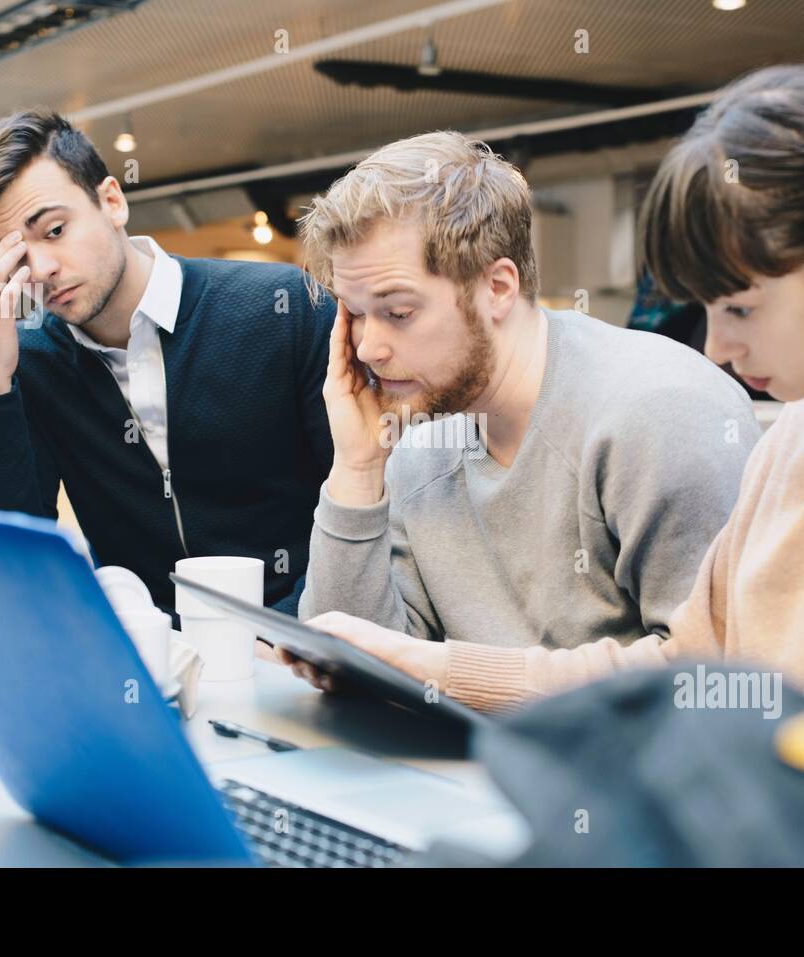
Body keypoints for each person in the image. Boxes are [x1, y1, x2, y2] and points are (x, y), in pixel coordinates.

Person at [293, 20, 804, 865]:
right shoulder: (794, 445)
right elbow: (678, 684)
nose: (718, 347)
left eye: (740, 306)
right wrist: (427, 668)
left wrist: (730, 141)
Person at [289, 130, 759, 701]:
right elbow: (353, 670)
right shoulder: (418, 435)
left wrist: (447, 672)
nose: (367, 349)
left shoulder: (659, 412)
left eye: (398, 312)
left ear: (497, 287)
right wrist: (359, 469)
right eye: (356, 314)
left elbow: (715, 682)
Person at [0, 108, 334, 616]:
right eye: (15, 256)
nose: (40, 268)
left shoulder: (283, 308)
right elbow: (3, 569)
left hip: (309, 641)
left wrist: (281, 637)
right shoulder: (30, 363)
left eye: (55, 230)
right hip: (150, 656)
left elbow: (365, 504)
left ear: (112, 201)